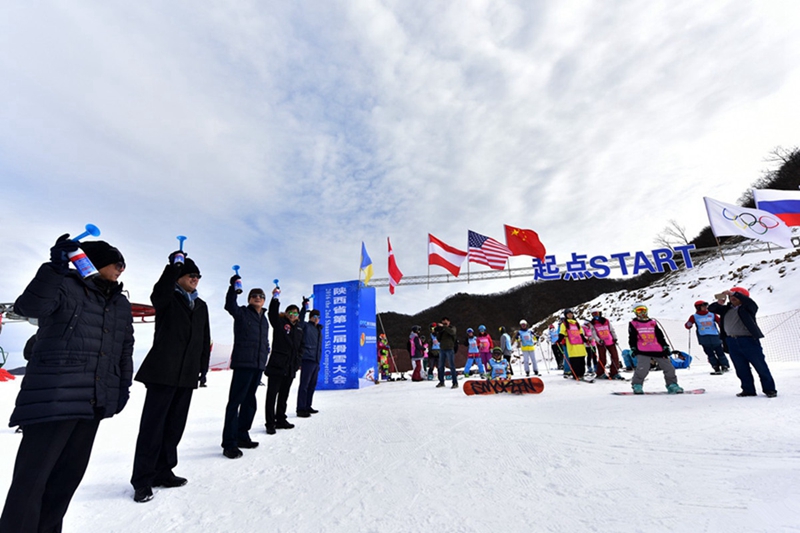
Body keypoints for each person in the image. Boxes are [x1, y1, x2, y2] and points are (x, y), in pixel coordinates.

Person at [0, 237, 133, 531]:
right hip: (53, 399)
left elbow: (125, 349)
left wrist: (121, 388)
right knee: (31, 484)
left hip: (92, 403)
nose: (122, 270)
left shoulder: (120, 303)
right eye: (118, 263)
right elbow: (29, 306)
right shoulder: (64, 285)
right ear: (97, 263)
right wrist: (54, 269)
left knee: (65, 483)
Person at [131, 252, 210, 503]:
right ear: (179, 277)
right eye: (191, 275)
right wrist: (172, 267)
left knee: (175, 426)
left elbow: (203, 339)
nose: (195, 279)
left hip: (187, 374)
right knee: (152, 428)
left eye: (198, 276)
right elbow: (158, 294)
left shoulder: (201, 305)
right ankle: (142, 480)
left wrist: (202, 369)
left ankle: (164, 471)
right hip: (163, 371)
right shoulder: (168, 298)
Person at [221, 282, 270, 460]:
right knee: (235, 403)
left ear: (264, 301)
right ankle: (229, 443)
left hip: (257, 365)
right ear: (249, 299)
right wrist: (233, 288)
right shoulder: (242, 313)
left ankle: (242, 435)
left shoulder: (264, 320)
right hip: (243, 364)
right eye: (254, 295)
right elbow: (229, 305)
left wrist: (264, 357)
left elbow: (264, 343)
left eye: (261, 295)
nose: (258, 297)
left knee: (250, 402)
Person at [708, 288, 777, 398]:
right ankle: (748, 389)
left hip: (748, 340)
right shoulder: (726, 309)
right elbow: (711, 308)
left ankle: (769, 389)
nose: (733, 298)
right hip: (731, 341)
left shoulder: (748, 308)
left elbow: (751, 303)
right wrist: (719, 302)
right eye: (731, 297)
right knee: (741, 368)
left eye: (736, 296)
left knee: (760, 367)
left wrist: (734, 293)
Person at [264, 289, 304, 434]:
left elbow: (301, 347)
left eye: (296, 313)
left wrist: (298, 361)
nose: (293, 315)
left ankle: (280, 418)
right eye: (291, 312)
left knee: (284, 395)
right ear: (286, 313)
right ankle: (270, 422)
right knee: (272, 395)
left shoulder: (299, 329)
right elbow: (272, 314)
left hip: (291, 367)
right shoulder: (280, 323)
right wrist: (275, 299)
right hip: (277, 365)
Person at [628, 304, 683, 394]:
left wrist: (665, 346)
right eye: (639, 311)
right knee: (643, 368)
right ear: (635, 313)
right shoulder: (634, 324)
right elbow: (632, 337)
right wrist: (633, 348)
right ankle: (637, 385)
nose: (642, 313)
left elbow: (660, 336)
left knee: (669, 368)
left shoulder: (652, 323)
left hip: (657, 348)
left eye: (643, 310)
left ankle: (672, 385)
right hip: (642, 349)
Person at [685, 300, 730, 374]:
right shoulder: (694, 316)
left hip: (714, 335)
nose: (705, 307)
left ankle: (725, 365)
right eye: (703, 306)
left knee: (719, 351)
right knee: (709, 353)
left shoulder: (712, 314)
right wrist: (689, 324)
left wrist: (722, 326)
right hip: (703, 337)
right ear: (698, 307)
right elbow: (688, 325)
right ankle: (715, 366)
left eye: (706, 306)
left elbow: (719, 322)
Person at [297, 299, 323, 417]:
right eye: (314, 316)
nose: (317, 318)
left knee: (312, 384)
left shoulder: (319, 330)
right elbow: (300, 321)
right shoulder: (306, 326)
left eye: (318, 316)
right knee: (304, 385)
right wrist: (304, 308)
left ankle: (308, 405)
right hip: (307, 358)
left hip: (316, 360)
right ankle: (301, 408)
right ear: (310, 317)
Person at [590, 310, 624, 379]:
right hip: (601, 343)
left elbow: (611, 330)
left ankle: (614, 373)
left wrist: (614, 337)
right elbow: (594, 334)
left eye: (596, 313)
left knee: (615, 357)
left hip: (610, 341)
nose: (595, 315)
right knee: (603, 358)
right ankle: (600, 373)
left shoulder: (606, 321)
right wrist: (599, 340)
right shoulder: (592, 323)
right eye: (593, 314)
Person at [558, 310, 588, 380]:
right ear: (566, 315)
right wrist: (559, 340)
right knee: (575, 359)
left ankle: (581, 373)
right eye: (568, 314)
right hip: (572, 343)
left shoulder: (576, 323)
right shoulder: (565, 324)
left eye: (571, 314)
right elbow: (562, 332)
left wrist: (584, 339)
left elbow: (580, 333)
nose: (570, 315)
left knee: (581, 358)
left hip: (579, 343)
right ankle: (576, 374)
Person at [434, 317, 458, 389]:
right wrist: (438, 331)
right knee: (440, 366)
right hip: (442, 349)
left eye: (446, 322)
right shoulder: (442, 330)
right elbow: (438, 339)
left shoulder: (452, 328)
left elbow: (452, 332)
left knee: (452, 366)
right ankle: (441, 381)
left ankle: (455, 382)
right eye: (443, 322)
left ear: (449, 322)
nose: (444, 324)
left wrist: (444, 327)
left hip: (450, 349)